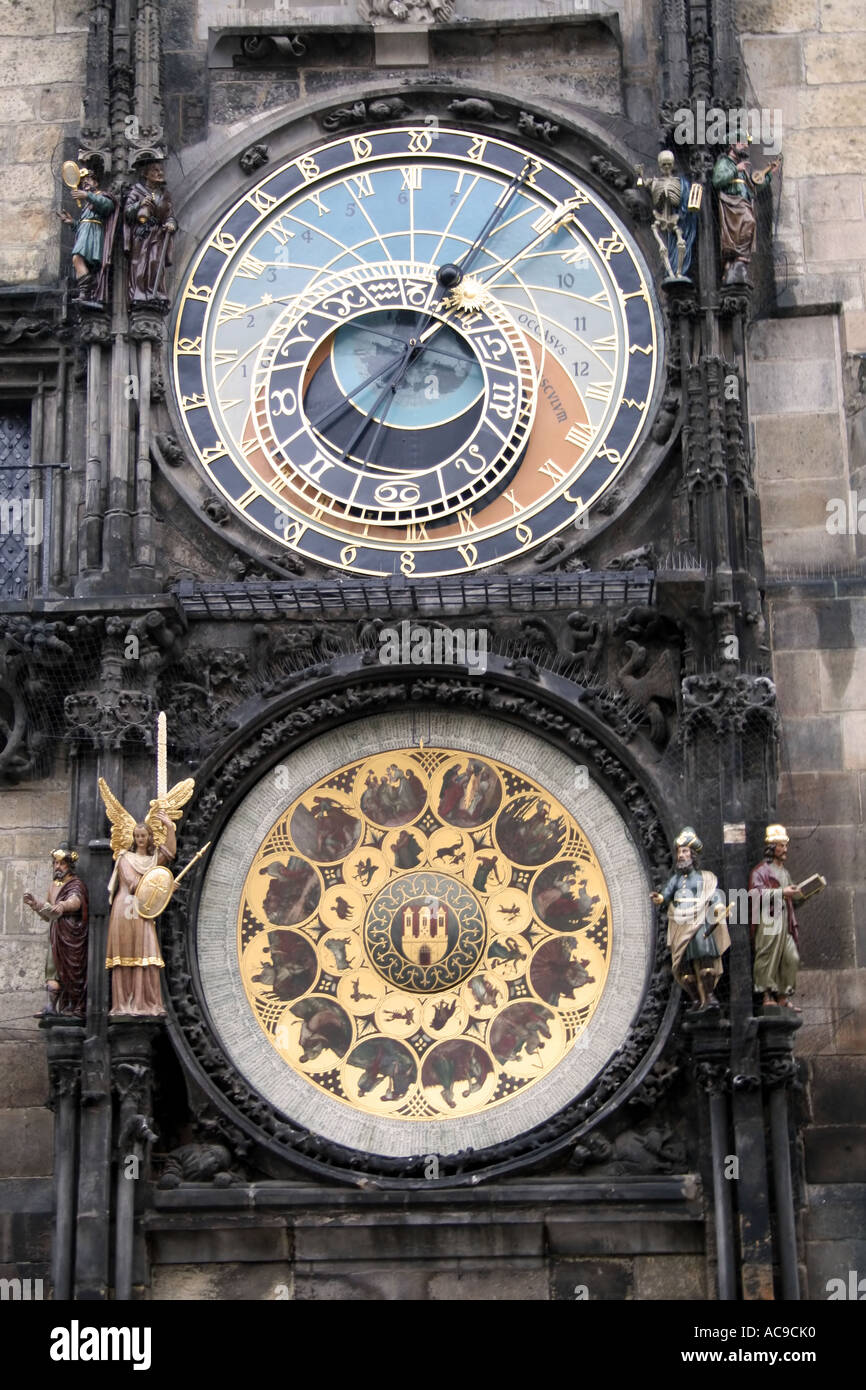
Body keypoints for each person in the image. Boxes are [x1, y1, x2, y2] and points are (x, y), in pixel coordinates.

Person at [651, 826, 730, 1011]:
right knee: (684, 967)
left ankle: (709, 996)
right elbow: (666, 894)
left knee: (705, 960)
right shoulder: (676, 880)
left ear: (693, 855)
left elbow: (714, 894)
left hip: (699, 923)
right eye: (679, 851)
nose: (681, 855)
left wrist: (718, 907)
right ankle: (695, 998)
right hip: (680, 923)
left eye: (685, 851)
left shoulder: (704, 878)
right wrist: (660, 898)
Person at [105, 811, 175, 1016]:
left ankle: (147, 1003)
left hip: (143, 911)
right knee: (127, 955)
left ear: (149, 837)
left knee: (149, 954)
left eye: (143, 836)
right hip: (126, 909)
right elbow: (134, 884)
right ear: (133, 838)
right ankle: (125, 1004)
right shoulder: (125, 858)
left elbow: (169, 853)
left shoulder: (153, 860)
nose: (140, 839)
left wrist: (169, 827)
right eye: (137, 836)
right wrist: (166, 886)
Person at [749, 824, 822, 1011]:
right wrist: (782, 892)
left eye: (785, 845)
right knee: (767, 957)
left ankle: (783, 995)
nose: (785, 849)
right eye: (781, 845)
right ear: (772, 848)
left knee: (791, 957)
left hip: (785, 921)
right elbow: (755, 894)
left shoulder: (785, 873)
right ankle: (766, 994)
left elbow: (793, 898)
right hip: (769, 920)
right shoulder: (761, 871)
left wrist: (807, 891)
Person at [23, 844, 89, 1015]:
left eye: (62, 863)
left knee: (71, 970)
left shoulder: (76, 884)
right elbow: (48, 914)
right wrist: (35, 905)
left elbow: (76, 901)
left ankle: (73, 1007)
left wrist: (63, 905)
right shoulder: (53, 886)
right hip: (56, 932)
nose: (57, 866)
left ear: (69, 865)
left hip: (71, 933)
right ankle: (51, 1007)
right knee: (53, 970)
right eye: (55, 863)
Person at [711, 139, 778, 285]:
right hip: (731, 204)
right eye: (741, 142)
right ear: (732, 145)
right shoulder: (725, 163)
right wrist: (736, 169)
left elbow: (752, 188)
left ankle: (735, 263)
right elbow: (717, 180)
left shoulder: (742, 167)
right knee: (749, 222)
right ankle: (735, 261)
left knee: (748, 225)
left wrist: (768, 175)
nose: (745, 146)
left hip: (743, 203)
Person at [123, 160, 177, 307]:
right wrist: (139, 204)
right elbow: (127, 213)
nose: (160, 173)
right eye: (155, 170)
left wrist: (171, 223)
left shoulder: (164, 195)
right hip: (142, 234)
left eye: (161, 170)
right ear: (145, 174)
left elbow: (170, 215)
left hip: (158, 234)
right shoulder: (137, 191)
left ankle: (156, 292)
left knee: (155, 262)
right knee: (140, 263)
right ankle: (139, 293)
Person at [59, 171, 116, 307]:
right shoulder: (87, 204)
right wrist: (72, 222)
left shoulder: (100, 196)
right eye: (83, 182)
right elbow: (84, 224)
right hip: (86, 233)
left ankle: (88, 290)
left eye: (88, 180)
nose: (85, 183)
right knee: (79, 260)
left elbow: (108, 206)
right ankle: (86, 293)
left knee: (77, 258)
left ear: (96, 183)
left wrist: (87, 195)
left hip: (94, 234)